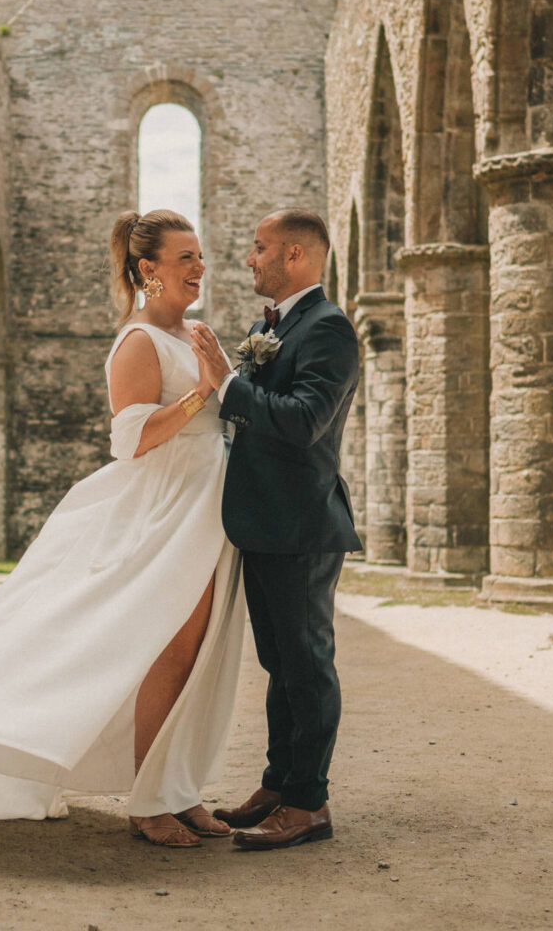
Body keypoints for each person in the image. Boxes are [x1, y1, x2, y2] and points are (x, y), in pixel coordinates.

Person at [0, 209, 245, 849]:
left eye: (200, 256)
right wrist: (202, 392)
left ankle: (178, 790)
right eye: (186, 257)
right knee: (164, 651)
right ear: (148, 268)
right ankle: (148, 802)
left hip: (208, 505)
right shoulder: (137, 342)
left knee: (197, 654)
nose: (200, 267)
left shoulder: (197, 333)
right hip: (165, 507)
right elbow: (131, 440)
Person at [192, 209, 361, 851]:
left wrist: (227, 382)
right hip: (265, 520)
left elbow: (303, 420)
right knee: (280, 664)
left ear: (294, 255)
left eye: (259, 247)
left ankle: (308, 804)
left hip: (301, 523)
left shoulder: (328, 327)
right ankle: (279, 783)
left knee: (307, 664)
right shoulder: (274, 326)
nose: (249, 259)